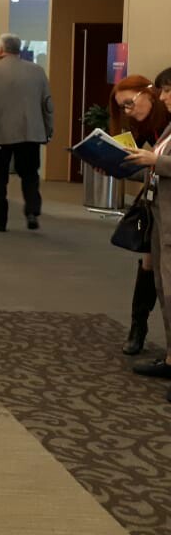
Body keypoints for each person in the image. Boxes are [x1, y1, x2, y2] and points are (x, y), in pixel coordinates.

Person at [108, 76, 169, 354]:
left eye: (130, 103)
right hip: (156, 199)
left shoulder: (165, 119)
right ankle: (138, 326)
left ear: (150, 94)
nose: (128, 111)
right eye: (123, 107)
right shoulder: (143, 124)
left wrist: (153, 162)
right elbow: (144, 167)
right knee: (150, 263)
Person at [122, 68, 171, 400]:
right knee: (163, 288)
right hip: (160, 215)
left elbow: (161, 161)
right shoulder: (166, 127)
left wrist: (156, 160)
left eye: (167, 90)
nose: (163, 97)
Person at [0, 33, 54, 232]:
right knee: (30, 174)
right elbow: (47, 104)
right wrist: (48, 130)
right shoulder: (37, 71)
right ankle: (32, 210)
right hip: (31, 133)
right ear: (19, 49)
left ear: (1, 50)